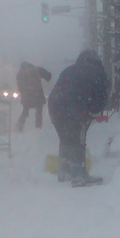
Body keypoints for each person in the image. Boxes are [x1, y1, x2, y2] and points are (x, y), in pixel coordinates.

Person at [47, 49, 109, 187]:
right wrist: (93, 112)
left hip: (54, 107)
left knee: (65, 139)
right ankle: (79, 176)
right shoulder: (97, 72)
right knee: (77, 141)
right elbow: (100, 97)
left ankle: (65, 171)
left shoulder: (69, 69)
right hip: (75, 109)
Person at [15, 62, 52, 131]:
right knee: (39, 112)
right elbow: (47, 76)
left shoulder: (20, 74)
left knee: (25, 111)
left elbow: (19, 86)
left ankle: (20, 125)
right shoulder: (36, 70)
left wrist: (24, 93)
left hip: (26, 96)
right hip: (38, 95)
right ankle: (38, 127)